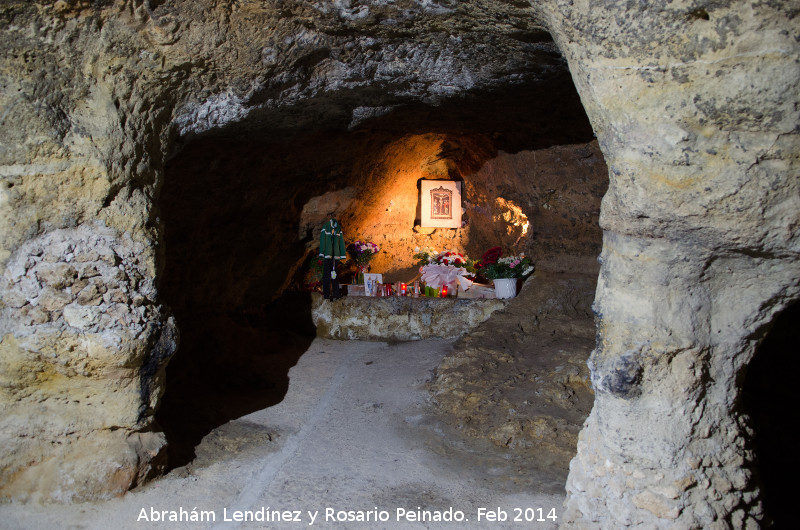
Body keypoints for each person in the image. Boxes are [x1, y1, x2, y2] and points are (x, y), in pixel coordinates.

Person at [319, 216, 346, 300]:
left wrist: (342, 254)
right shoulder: (326, 227)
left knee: (335, 275)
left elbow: (341, 241)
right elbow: (322, 240)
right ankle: (326, 294)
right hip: (327, 255)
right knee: (326, 275)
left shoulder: (338, 228)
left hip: (335, 256)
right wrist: (322, 253)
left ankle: (336, 294)